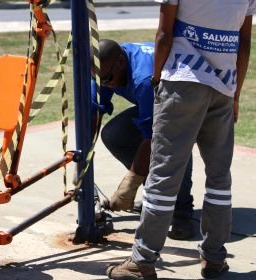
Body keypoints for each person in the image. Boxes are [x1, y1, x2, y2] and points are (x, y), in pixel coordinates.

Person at [106, 1, 256, 279]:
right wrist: (235, 95)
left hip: (183, 81)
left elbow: (164, 34)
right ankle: (213, 258)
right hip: (224, 85)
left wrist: (157, 78)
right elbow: (244, 42)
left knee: (164, 175)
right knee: (219, 178)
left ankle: (142, 261)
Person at [91, 39, 195, 240]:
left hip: (191, 100)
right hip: (159, 101)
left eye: (108, 79)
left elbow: (153, 138)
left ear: (121, 62)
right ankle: (159, 197)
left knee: (173, 145)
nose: (105, 84)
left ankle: (181, 211)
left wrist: (129, 185)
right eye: (100, 81)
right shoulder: (104, 68)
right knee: (114, 134)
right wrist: (83, 162)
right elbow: (94, 112)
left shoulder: (144, 78)